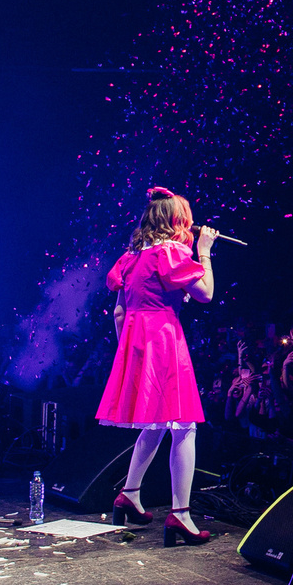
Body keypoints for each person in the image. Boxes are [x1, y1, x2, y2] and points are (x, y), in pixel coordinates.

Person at [95, 187, 217, 541]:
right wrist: (204, 252)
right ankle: (180, 514)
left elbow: (118, 313)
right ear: (178, 221)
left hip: (135, 341)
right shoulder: (172, 252)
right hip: (163, 338)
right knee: (184, 425)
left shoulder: (130, 258)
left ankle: (130, 494)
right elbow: (206, 293)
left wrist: (128, 352)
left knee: (157, 422)